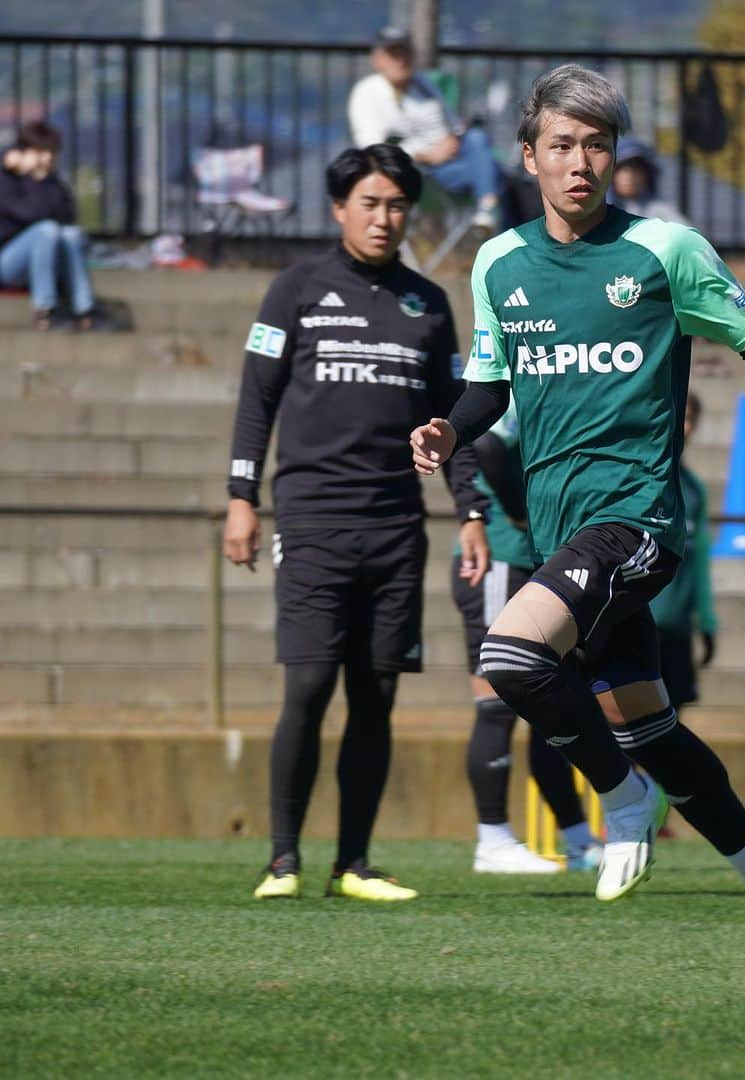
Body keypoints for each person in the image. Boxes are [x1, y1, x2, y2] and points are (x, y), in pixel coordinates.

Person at [411, 65, 745, 968]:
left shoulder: (664, 251)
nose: (580, 162)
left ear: (613, 157)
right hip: (565, 530)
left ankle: (620, 796)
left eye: (596, 145)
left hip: (636, 519)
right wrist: (452, 424)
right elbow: (491, 385)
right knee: (654, 727)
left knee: (511, 658)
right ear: (528, 156)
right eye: (562, 145)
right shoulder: (499, 262)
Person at [225, 144, 490, 903]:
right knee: (308, 686)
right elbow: (257, 401)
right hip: (312, 520)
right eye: (370, 204)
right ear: (339, 208)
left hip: (396, 526)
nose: (384, 218)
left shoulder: (428, 304)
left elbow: (453, 420)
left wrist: (469, 510)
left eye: (398, 205)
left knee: (376, 696)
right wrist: (241, 496)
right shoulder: (295, 290)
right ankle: (282, 861)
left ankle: (354, 864)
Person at [453, 395, 602, 873]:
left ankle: (578, 839)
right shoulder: (519, 384)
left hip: (537, 563)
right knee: (497, 703)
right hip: (501, 558)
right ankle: (492, 838)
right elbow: (490, 449)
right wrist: (521, 513)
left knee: (552, 703)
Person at [348, 27, 504, 232]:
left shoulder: (425, 85)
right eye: (393, 53)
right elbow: (372, 151)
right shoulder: (367, 93)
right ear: (377, 60)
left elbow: (454, 126)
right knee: (499, 176)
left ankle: (488, 209)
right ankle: (497, 223)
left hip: (456, 162)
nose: (400, 59)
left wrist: (453, 138)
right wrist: (426, 156)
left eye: (405, 52)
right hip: (421, 173)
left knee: (476, 139)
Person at [648, 393, 716, 713]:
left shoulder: (693, 489)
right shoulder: (636, 481)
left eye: (690, 419)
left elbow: (699, 561)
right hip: (637, 625)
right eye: (678, 416)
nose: (683, 427)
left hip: (676, 628)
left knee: (672, 724)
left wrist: (706, 620)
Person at [0, 121, 100, 330]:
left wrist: (43, 179)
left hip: (46, 258)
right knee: (46, 230)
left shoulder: (51, 182)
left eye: (51, 152)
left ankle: (85, 309)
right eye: (41, 152)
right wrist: (30, 177)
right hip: (8, 262)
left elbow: (68, 215)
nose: (48, 158)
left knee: (71, 234)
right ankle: (45, 309)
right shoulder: (6, 180)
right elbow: (30, 214)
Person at [610, 137, 689, 225]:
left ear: (647, 176)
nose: (629, 176)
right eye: (623, 170)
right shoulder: (599, 212)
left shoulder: (660, 213)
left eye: (636, 169)